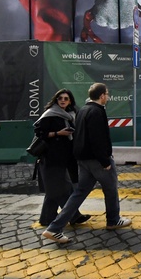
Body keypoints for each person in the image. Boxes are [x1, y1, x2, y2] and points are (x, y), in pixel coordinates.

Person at [42, 83, 131, 243]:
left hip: (83, 160)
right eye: (107, 94)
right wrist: (105, 161)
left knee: (79, 193)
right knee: (111, 189)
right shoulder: (97, 111)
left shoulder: (83, 110)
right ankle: (113, 220)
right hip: (97, 160)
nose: (108, 97)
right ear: (102, 95)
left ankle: (54, 228)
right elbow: (97, 139)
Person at [33, 89, 90, 227]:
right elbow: (40, 133)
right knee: (63, 188)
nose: (63, 100)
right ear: (56, 100)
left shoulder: (71, 115)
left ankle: (47, 218)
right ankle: (74, 216)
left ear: (70, 101)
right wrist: (58, 133)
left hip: (67, 156)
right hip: (52, 156)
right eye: (60, 98)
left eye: (66, 98)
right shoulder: (50, 114)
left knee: (53, 189)